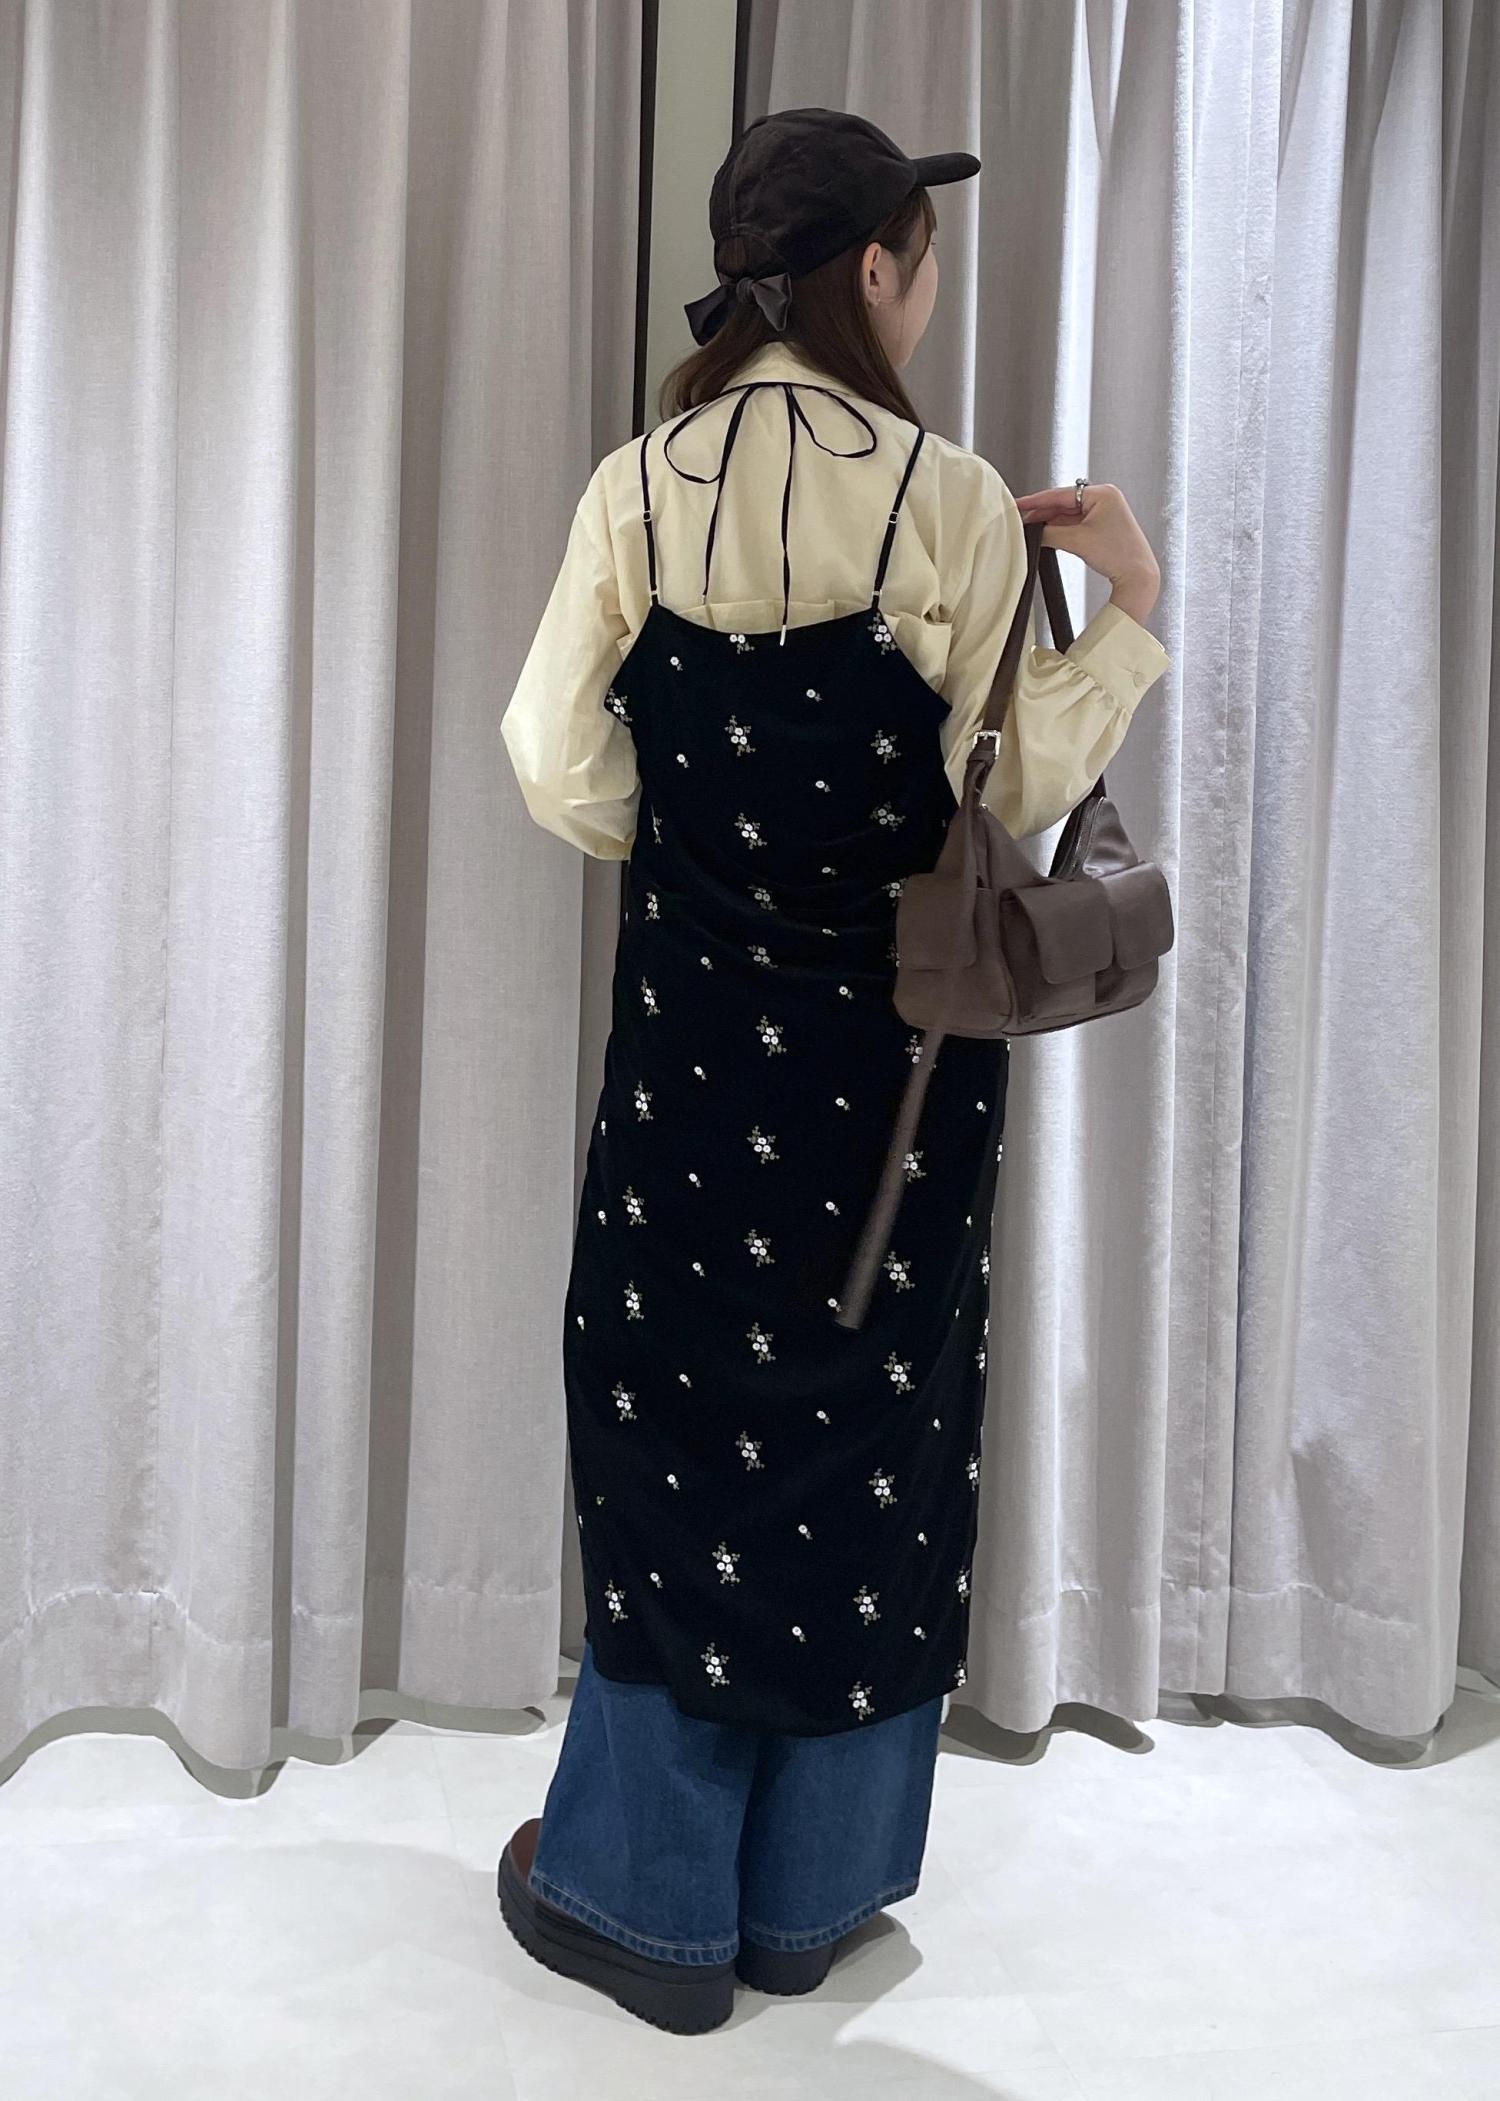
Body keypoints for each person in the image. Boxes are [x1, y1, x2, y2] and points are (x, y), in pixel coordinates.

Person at [496, 107, 1169, 2035]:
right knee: (874, 1434)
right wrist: (1127, 602)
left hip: (694, 1059)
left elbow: (554, 761)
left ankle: (644, 1904)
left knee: (667, 1423)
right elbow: (1020, 789)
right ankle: (806, 1903)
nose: (927, 292)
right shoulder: (949, 501)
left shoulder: (639, 484)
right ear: (872, 268)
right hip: (896, 1083)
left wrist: (699, 851)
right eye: (920, 260)